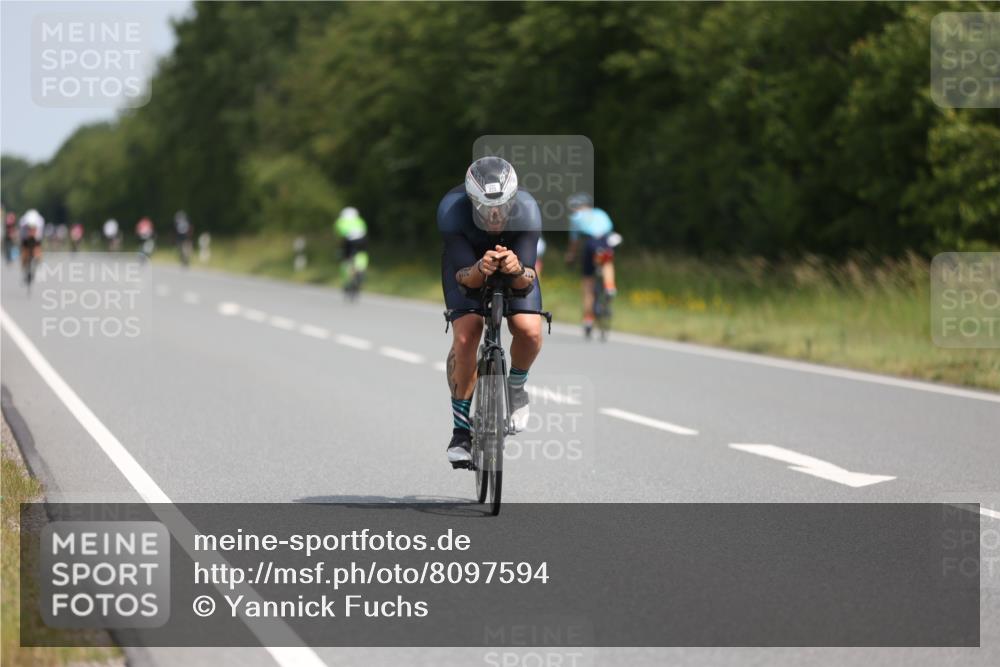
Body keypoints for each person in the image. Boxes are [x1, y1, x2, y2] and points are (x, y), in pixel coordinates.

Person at [438, 156, 543, 468]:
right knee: (467, 334)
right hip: (467, 263)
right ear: (472, 201)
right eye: (485, 207)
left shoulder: (527, 210)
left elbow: (527, 278)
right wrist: (479, 269)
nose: (495, 214)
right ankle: (460, 432)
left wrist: (516, 268)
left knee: (529, 329)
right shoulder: (451, 210)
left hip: (516, 263)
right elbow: (463, 277)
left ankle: (516, 388)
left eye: (502, 205)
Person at [564, 193, 617, 338]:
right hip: (605, 241)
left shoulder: (575, 217)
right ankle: (609, 287)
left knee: (588, 283)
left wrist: (570, 257)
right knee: (607, 262)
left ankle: (588, 319)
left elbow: (574, 243)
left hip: (590, 244)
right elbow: (609, 230)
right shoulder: (600, 213)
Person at [334, 206, 369, 294]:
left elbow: (338, 236)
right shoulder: (360, 220)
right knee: (361, 254)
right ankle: (360, 269)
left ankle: (348, 277)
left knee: (346, 259)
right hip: (362, 240)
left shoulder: (340, 221)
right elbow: (364, 230)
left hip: (349, 241)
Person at [19, 209, 44, 282]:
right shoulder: (23, 223)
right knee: (24, 250)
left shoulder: (40, 223)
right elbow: (22, 238)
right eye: (30, 228)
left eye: (33, 228)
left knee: (37, 249)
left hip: (37, 236)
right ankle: (24, 267)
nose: (31, 230)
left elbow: (39, 240)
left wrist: (37, 255)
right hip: (24, 237)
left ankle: (37, 262)